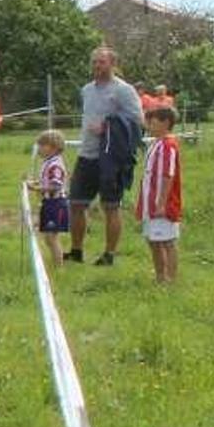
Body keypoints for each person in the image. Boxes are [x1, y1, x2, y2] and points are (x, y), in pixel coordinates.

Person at [67, 47, 143, 266]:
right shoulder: (87, 90)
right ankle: (76, 251)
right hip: (86, 154)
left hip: (111, 157)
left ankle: (109, 254)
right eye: (94, 62)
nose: (97, 66)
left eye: (101, 62)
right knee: (76, 203)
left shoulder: (124, 90)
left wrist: (108, 125)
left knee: (110, 206)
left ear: (113, 64)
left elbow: (137, 120)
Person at [137, 107, 183, 284]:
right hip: (150, 203)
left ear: (165, 123)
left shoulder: (167, 145)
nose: (149, 125)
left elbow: (167, 175)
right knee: (153, 240)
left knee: (167, 241)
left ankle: (170, 278)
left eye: (153, 122)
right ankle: (159, 276)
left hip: (160, 204)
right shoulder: (156, 143)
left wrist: (162, 204)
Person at [28, 130, 70, 268]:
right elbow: (47, 182)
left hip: (56, 204)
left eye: (42, 145)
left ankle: (59, 266)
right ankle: (57, 263)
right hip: (48, 203)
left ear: (53, 147)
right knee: (48, 237)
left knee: (51, 237)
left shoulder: (55, 165)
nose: (39, 148)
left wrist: (37, 189)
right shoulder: (48, 162)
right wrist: (37, 184)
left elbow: (55, 186)